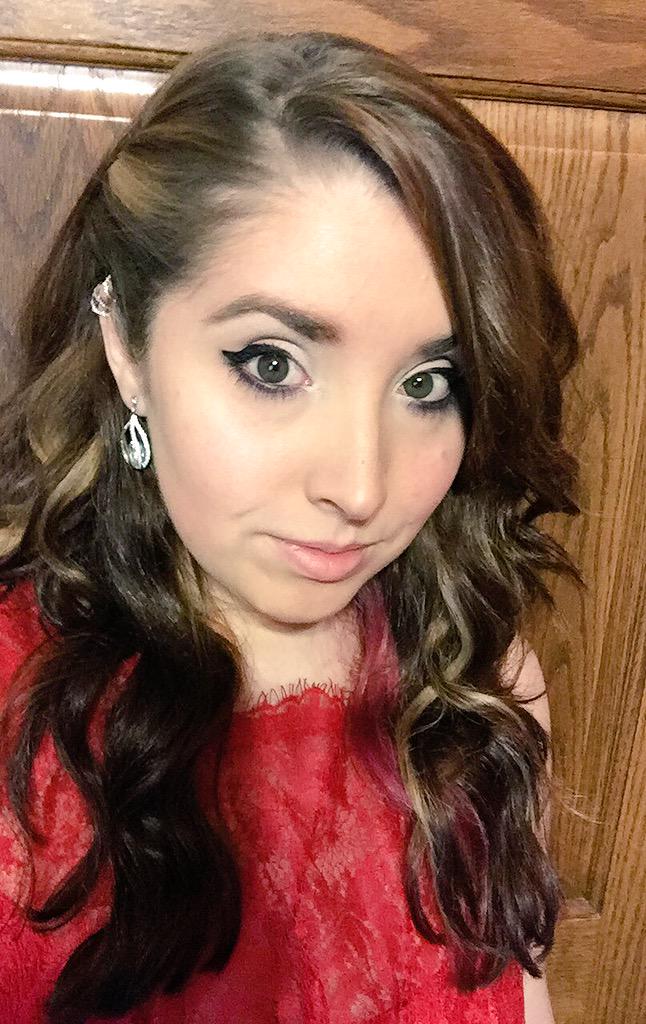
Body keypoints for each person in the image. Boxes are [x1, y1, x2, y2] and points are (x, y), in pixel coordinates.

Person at [0, 29, 582, 1024]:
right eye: (272, 364)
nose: (361, 486)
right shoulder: (19, 715)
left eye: (427, 384)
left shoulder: (476, 694)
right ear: (126, 343)